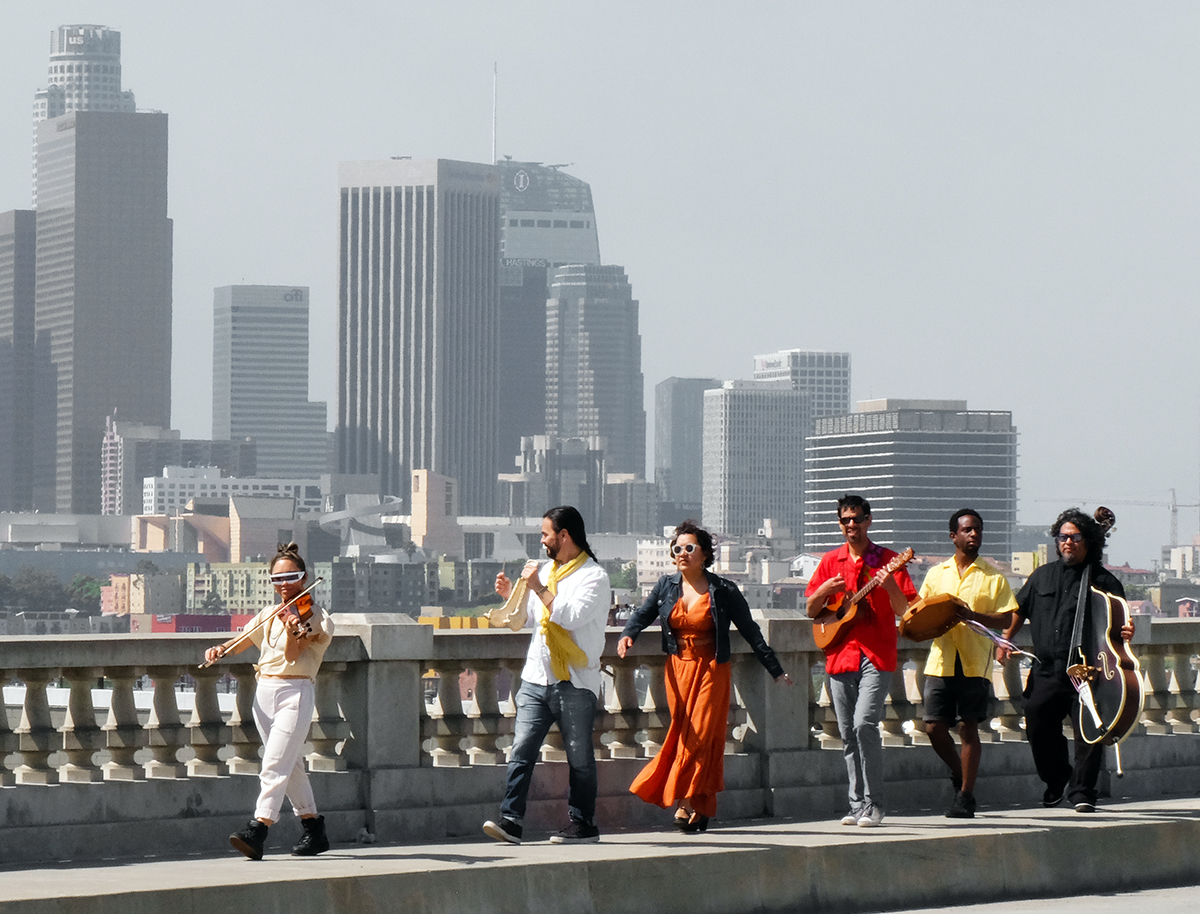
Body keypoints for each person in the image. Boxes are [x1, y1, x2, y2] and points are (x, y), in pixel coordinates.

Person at [617, 520, 793, 832]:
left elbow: (750, 630)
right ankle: (702, 805)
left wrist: (775, 669)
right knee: (689, 736)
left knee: (699, 735)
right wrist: (628, 634)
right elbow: (643, 613)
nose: (682, 553)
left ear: (705, 554)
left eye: (689, 548)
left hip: (711, 667)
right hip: (677, 669)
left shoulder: (723, 590)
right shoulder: (665, 586)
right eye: (677, 548)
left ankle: (685, 802)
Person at [483, 506, 611, 845]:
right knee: (521, 749)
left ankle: (583, 823)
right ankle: (511, 820)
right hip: (536, 677)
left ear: (564, 535)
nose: (541, 541)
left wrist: (538, 587)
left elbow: (569, 616)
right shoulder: (545, 571)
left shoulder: (593, 577)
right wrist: (510, 594)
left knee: (579, 757)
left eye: (545, 534)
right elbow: (529, 618)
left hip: (575, 681)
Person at [998, 508, 1134, 814]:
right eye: (1063, 537)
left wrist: (1128, 629)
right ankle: (1057, 777)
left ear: (1089, 541)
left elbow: (1121, 621)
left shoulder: (1105, 580)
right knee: (1036, 720)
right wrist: (1006, 638)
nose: (1068, 542)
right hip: (1047, 669)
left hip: (1089, 670)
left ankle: (1083, 791)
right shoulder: (1041, 576)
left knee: (1089, 732)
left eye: (1075, 537)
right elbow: (1019, 609)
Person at [205, 542, 335, 860]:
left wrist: (293, 631)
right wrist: (221, 649)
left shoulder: (318, 618)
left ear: (304, 578)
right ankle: (313, 828)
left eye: (291, 577)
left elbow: (293, 655)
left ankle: (259, 828)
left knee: (274, 763)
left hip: (295, 691)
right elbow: (243, 640)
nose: (284, 585)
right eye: (277, 579)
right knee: (290, 765)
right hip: (264, 691)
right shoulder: (268, 614)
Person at [805, 495, 917, 828]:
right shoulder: (830, 560)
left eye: (857, 519)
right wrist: (823, 590)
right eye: (845, 520)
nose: (851, 525)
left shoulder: (888, 560)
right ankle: (856, 806)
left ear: (869, 520)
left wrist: (890, 584)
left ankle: (874, 804)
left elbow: (906, 610)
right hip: (839, 654)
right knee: (846, 734)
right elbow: (811, 610)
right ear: (840, 524)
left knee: (863, 724)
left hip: (876, 654)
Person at [918, 509, 1017, 819]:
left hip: (975, 662)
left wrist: (973, 616)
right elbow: (922, 610)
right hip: (941, 660)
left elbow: (1006, 618)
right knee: (933, 726)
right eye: (967, 530)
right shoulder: (937, 573)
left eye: (978, 530)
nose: (974, 534)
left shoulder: (993, 576)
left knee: (968, 727)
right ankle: (959, 773)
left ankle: (965, 796)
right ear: (953, 536)